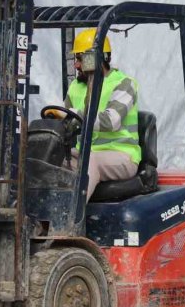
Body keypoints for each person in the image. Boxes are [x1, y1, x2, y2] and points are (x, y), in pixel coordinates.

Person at [56, 28, 140, 201]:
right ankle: (38, 219)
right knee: (49, 160)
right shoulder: (76, 87)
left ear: (97, 57)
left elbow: (111, 121)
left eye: (80, 58)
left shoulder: (123, 84)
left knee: (89, 161)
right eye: (75, 59)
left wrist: (71, 115)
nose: (76, 65)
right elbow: (69, 125)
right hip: (86, 152)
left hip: (121, 155)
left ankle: (70, 221)